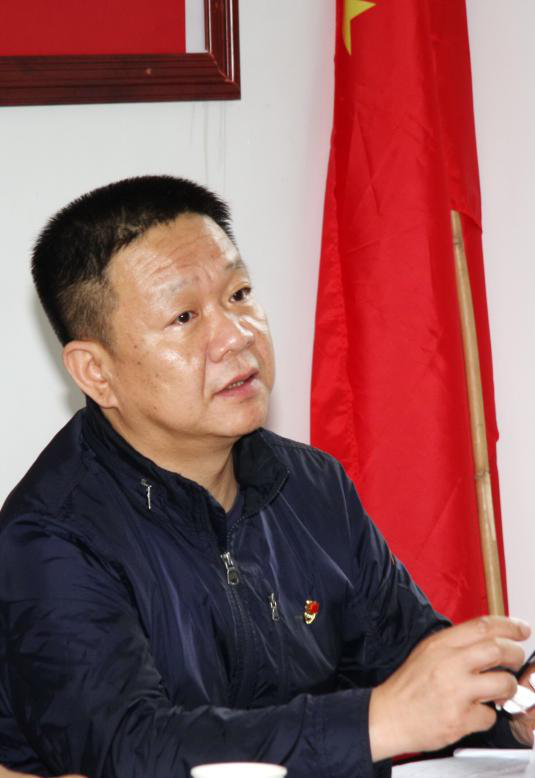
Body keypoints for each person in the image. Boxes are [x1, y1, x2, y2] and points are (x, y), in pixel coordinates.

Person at [0, 175, 533, 778]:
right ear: (96, 372)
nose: (236, 336)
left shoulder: (312, 485)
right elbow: (128, 749)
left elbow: (415, 672)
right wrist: (377, 722)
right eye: (184, 316)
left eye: (239, 294)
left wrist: (510, 708)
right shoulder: (50, 536)